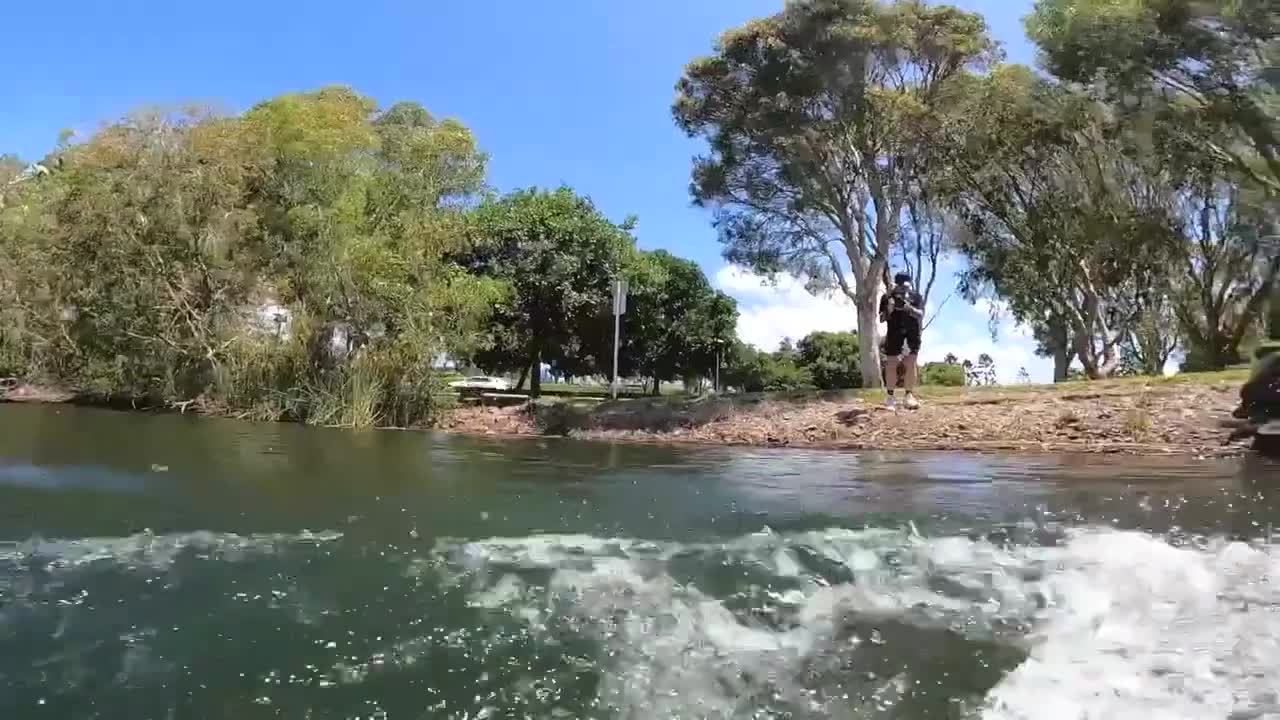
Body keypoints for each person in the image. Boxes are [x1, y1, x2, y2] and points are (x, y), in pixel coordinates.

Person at [879, 272, 924, 410]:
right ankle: (890, 397)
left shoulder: (916, 297)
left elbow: (920, 314)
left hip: (912, 335)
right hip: (894, 335)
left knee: (910, 364)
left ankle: (909, 396)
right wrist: (890, 309)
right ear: (896, 285)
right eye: (900, 287)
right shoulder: (887, 297)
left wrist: (907, 308)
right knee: (891, 364)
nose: (903, 289)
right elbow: (881, 318)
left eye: (906, 286)